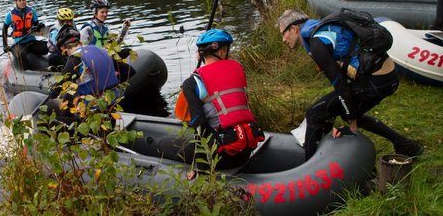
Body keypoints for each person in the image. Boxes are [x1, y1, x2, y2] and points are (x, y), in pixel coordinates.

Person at [277, 9, 423, 160]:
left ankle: (308, 169)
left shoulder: (317, 43)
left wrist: (352, 122)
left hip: (376, 82)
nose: (283, 39)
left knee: (314, 113)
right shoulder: (324, 29)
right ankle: (405, 145)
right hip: (388, 77)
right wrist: (344, 114)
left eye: (283, 33)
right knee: (342, 109)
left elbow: (340, 84)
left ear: (294, 29)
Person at [179, 29, 264, 176]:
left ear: (200, 54)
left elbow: (199, 123)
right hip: (246, 150)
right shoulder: (237, 70)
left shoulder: (191, 83)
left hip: (222, 156)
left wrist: (200, 166)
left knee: (166, 146)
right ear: (222, 52)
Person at [48, 25, 135, 125]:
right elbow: (130, 70)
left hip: (92, 108)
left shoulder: (74, 59)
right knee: (70, 95)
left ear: (63, 48)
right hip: (111, 102)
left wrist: (50, 92)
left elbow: (57, 88)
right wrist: (112, 83)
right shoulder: (100, 50)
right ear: (79, 42)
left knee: (66, 102)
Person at [2, 0, 47, 70]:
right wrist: (5, 45)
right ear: (15, 2)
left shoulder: (31, 11)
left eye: (24, 0)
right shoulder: (10, 15)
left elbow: (36, 26)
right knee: (21, 54)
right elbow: (4, 30)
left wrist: (40, 26)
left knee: (49, 46)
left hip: (32, 42)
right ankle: (26, 72)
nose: (22, 2)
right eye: (20, 0)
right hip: (19, 43)